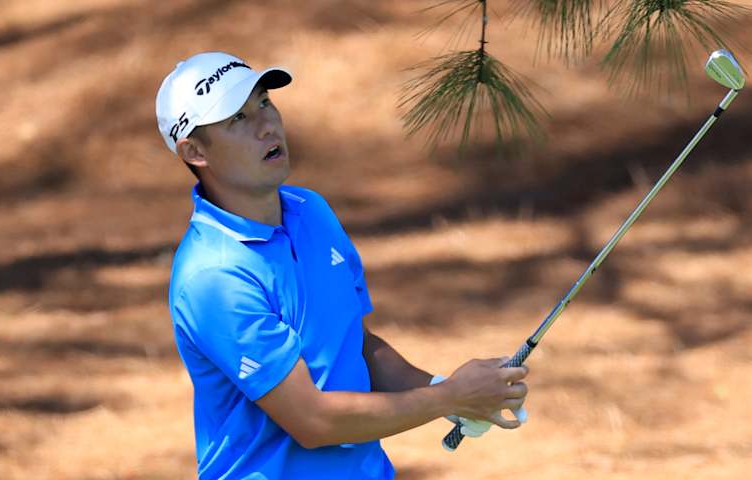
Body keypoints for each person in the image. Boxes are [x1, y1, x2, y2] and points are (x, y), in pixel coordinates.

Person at [156, 51, 529, 480]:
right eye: (237, 119)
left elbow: (360, 347)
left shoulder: (309, 210)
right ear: (195, 151)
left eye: (263, 102)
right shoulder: (213, 275)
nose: (267, 125)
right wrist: (450, 397)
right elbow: (313, 422)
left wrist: (448, 391)